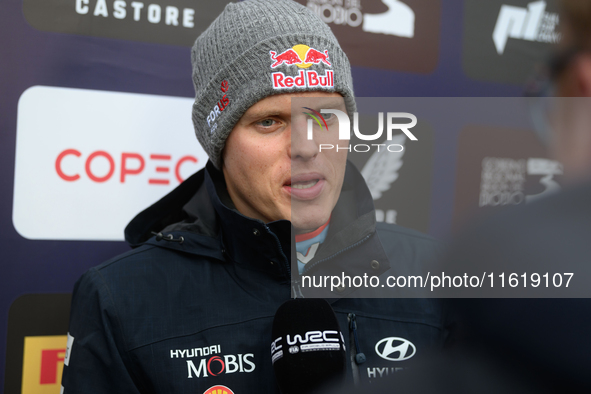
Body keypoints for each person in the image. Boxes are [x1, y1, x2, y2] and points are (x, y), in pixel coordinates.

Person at [61, 1, 448, 392]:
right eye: (269, 122)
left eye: (325, 117)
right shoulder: (120, 299)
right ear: (219, 141)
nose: (306, 147)